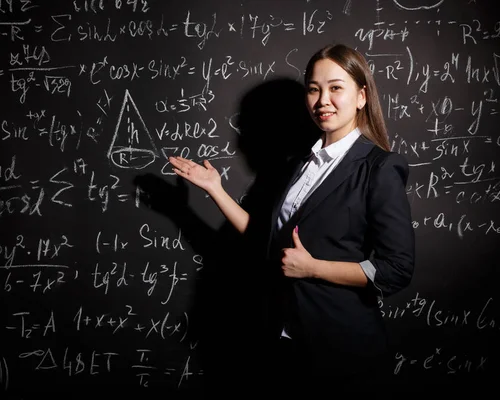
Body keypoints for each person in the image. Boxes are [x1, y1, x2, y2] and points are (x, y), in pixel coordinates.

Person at [168, 43, 415, 396]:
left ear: (361, 96)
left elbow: (396, 270)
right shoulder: (302, 165)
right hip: (283, 341)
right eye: (313, 89)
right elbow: (268, 241)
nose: (322, 100)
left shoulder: (380, 168)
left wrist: (313, 268)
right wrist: (215, 189)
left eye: (335, 88)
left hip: (341, 351)